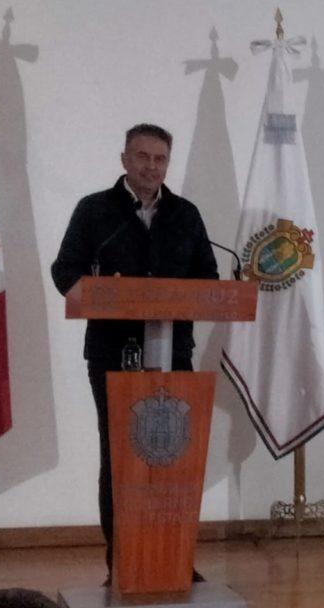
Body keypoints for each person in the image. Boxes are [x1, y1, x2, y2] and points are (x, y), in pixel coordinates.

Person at [51, 123, 217, 583]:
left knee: (174, 456)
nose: (151, 167)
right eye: (142, 157)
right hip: (112, 352)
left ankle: (174, 559)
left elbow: (208, 279)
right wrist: (104, 292)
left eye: (160, 159)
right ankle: (122, 560)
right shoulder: (95, 210)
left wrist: (180, 294)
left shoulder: (185, 215)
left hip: (173, 354)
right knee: (120, 456)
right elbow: (65, 271)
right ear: (124, 160)